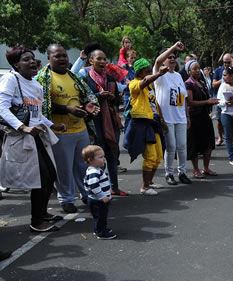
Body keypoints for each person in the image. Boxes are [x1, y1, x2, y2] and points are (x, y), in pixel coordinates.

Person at [0, 45, 66, 233]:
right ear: (16, 65)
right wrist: (23, 127)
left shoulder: (36, 84)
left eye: (32, 58)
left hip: (38, 136)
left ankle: (43, 213)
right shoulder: (10, 80)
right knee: (41, 178)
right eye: (25, 59)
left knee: (50, 175)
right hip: (22, 138)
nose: (31, 62)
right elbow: (2, 108)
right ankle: (36, 222)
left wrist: (52, 125)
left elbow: (36, 113)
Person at [36, 44, 100, 214]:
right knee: (63, 169)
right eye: (57, 56)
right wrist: (67, 109)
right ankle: (66, 199)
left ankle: (87, 194)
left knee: (84, 165)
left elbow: (85, 96)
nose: (63, 58)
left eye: (64, 55)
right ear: (48, 58)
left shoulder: (74, 77)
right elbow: (42, 106)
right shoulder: (43, 78)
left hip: (80, 129)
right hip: (60, 132)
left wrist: (88, 106)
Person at [81, 49, 127, 196]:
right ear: (91, 61)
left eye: (104, 59)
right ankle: (98, 190)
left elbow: (119, 99)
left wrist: (112, 97)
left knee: (112, 154)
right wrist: (98, 96)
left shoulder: (110, 78)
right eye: (99, 59)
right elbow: (83, 98)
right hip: (95, 123)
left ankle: (114, 187)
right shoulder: (85, 78)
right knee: (97, 157)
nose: (102, 62)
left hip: (111, 121)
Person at [123, 58, 168, 195]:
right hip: (141, 124)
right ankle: (145, 187)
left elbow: (155, 104)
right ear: (139, 72)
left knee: (159, 156)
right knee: (150, 157)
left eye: (150, 70)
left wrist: (163, 121)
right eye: (147, 71)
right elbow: (144, 82)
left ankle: (150, 182)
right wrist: (158, 74)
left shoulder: (150, 87)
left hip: (153, 123)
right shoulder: (134, 84)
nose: (149, 72)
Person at [154, 42, 192, 185]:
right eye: (168, 57)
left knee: (182, 146)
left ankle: (182, 172)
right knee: (171, 146)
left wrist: (187, 116)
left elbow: (184, 99)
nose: (172, 59)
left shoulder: (177, 76)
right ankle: (169, 173)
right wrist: (174, 47)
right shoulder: (160, 75)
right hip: (167, 117)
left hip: (180, 117)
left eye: (174, 57)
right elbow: (157, 61)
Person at [185, 59, 219, 177]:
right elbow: (190, 102)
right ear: (189, 71)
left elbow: (206, 99)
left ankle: (206, 168)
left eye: (198, 68)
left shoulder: (202, 83)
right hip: (194, 117)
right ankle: (196, 170)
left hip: (205, 116)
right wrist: (207, 102)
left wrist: (211, 102)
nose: (197, 71)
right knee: (195, 144)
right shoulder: (188, 83)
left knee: (208, 142)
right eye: (194, 68)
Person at [82, 145, 116, 239]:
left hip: (98, 199)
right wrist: (102, 196)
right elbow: (94, 186)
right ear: (90, 160)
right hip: (97, 200)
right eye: (100, 157)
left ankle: (99, 229)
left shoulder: (96, 169)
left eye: (103, 156)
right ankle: (101, 233)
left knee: (102, 216)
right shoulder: (93, 172)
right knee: (100, 216)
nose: (103, 159)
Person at [212, 53, 232, 146]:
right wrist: (222, 79)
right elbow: (213, 84)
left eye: (228, 62)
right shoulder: (218, 70)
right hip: (220, 98)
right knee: (219, 119)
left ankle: (230, 138)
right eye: (225, 62)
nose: (226, 64)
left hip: (231, 98)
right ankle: (220, 137)